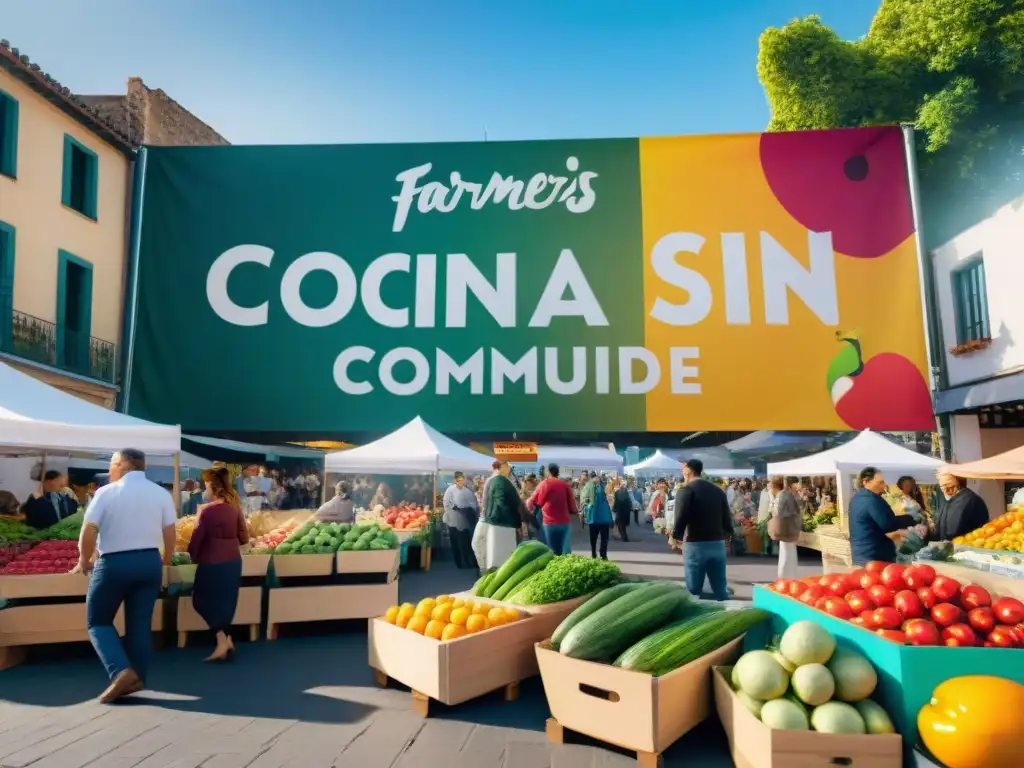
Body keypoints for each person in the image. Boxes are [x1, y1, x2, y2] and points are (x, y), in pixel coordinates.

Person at [75, 449, 176, 703]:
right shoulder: (160, 493)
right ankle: (138, 678)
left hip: (114, 562)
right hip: (149, 561)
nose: (110, 470)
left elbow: (88, 532)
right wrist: (164, 560)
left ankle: (121, 671)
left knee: (98, 621)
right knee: (140, 624)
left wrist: (84, 560)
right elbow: (170, 533)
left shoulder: (106, 493)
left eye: (111, 464)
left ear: (122, 465)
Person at [188, 467, 248, 662]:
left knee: (200, 600)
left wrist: (193, 556)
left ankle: (222, 640)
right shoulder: (235, 508)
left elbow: (196, 540)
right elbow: (244, 536)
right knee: (227, 603)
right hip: (233, 560)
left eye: (206, 486)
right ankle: (227, 639)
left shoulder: (207, 513)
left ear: (212, 487)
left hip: (211, 561)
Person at [668, 459, 732, 601]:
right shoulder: (718, 490)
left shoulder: (686, 490)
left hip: (695, 544)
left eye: (683, 469)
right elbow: (727, 518)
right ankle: (727, 614)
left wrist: (675, 537)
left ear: (688, 471)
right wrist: (728, 538)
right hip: (717, 544)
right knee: (720, 587)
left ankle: (695, 618)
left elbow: (681, 517)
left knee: (694, 589)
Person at [848, 466, 917, 565]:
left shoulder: (857, 498)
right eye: (880, 483)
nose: (884, 486)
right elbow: (888, 524)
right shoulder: (871, 499)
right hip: (874, 556)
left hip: (860, 554)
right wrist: (909, 518)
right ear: (866, 482)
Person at [526, 463, 577, 555]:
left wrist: (531, 512)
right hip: (564, 523)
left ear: (548, 472)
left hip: (550, 523)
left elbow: (533, 502)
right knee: (566, 552)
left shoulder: (544, 484)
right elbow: (573, 507)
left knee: (551, 552)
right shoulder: (565, 485)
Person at [482, 460, 525, 570]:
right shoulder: (500, 481)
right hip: (503, 523)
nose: (510, 469)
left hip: (496, 522)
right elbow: (501, 502)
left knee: (497, 554)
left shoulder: (494, 480)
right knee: (504, 557)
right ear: (502, 467)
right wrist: (517, 523)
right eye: (508, 467)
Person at [934, 473, 990, 541]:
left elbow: (953, 530)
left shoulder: (970, 500)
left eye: (948, 486)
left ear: (958, 483)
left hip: (965, 548)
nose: (945, 490)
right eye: (942, 487)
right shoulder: (949, 501)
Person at [442, 472, 480, 569]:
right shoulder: (450, 490)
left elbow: (474, 504)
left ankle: (467, 561)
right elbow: (446, 503)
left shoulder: (467, 491)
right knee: (455, 542)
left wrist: (468, 510)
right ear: (455, 480)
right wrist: (456, 508)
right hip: (452, 521)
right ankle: (458, 563)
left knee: (465, 542)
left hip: (464, 521)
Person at [770, 477, 803, 578]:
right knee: (789, 553)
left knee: (786, 552)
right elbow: (791, 511)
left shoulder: (782, 494)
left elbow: (776, 511)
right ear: (792, 484)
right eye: (797, 483)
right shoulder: (787, 494)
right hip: (788, 527)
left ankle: (784, 576)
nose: (798, 486)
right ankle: (787, 577)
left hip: (784, 527)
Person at [583, 475, 614, 559]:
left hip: (594, 519)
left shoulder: (589, 489)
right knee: (604, 538)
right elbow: (608, 508)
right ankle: (602, 555)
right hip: (603, 519)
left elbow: (584, 502)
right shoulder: (603, 492)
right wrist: (611, 520)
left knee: (593, 538)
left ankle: (594, 553)